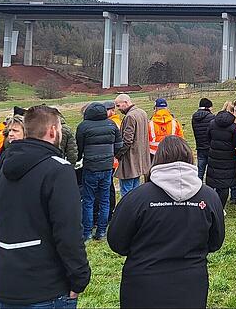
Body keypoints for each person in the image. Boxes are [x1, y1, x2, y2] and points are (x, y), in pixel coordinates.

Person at [108, 136, 224, 309]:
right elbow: (215, 241)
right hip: (191, 284)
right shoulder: (209, 197)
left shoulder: (137, 197)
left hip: (143, 284)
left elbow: (117, 241)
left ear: (158, 158)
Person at [0, 105, 91, 308]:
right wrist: (79, 277)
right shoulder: (59, 170)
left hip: (8, 280)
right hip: (47, 287)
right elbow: (68, 230)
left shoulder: (6, 165)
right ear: (53, 131)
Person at [75, 102, 122, 241]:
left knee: (88, 199)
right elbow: (119, 145)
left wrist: (80, 158)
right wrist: (110, 155)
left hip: (90, 166)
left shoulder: (83, 126)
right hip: (107, 166)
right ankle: (101, 231)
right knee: (105, 198)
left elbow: (79, 146)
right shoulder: (111, 125)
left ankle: (87, 232)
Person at [114, 94, 150, 197]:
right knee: (136, 192)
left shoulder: (130, 116)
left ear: (126, 102)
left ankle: (126, 212)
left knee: (126, 193)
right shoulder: (142, 113)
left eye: (119, 105)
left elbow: (127, 141)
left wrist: (118, 154)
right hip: (140, 159)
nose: (118, 109)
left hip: (130, 160)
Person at [206, 102, 236, 207]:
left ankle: (211, 204)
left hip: (214, 156)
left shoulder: (212, 123)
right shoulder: (234, 127)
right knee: (224, 185)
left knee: (213, 182)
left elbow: (208, 138)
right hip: (228, 158)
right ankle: (221, 206)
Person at [191, 98, 216, 180]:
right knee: (211, 171)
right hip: (210, 147)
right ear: (208, 107)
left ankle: (198, 188)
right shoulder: (211, 117)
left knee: (200, 171)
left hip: (200, 147)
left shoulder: (194, 117)